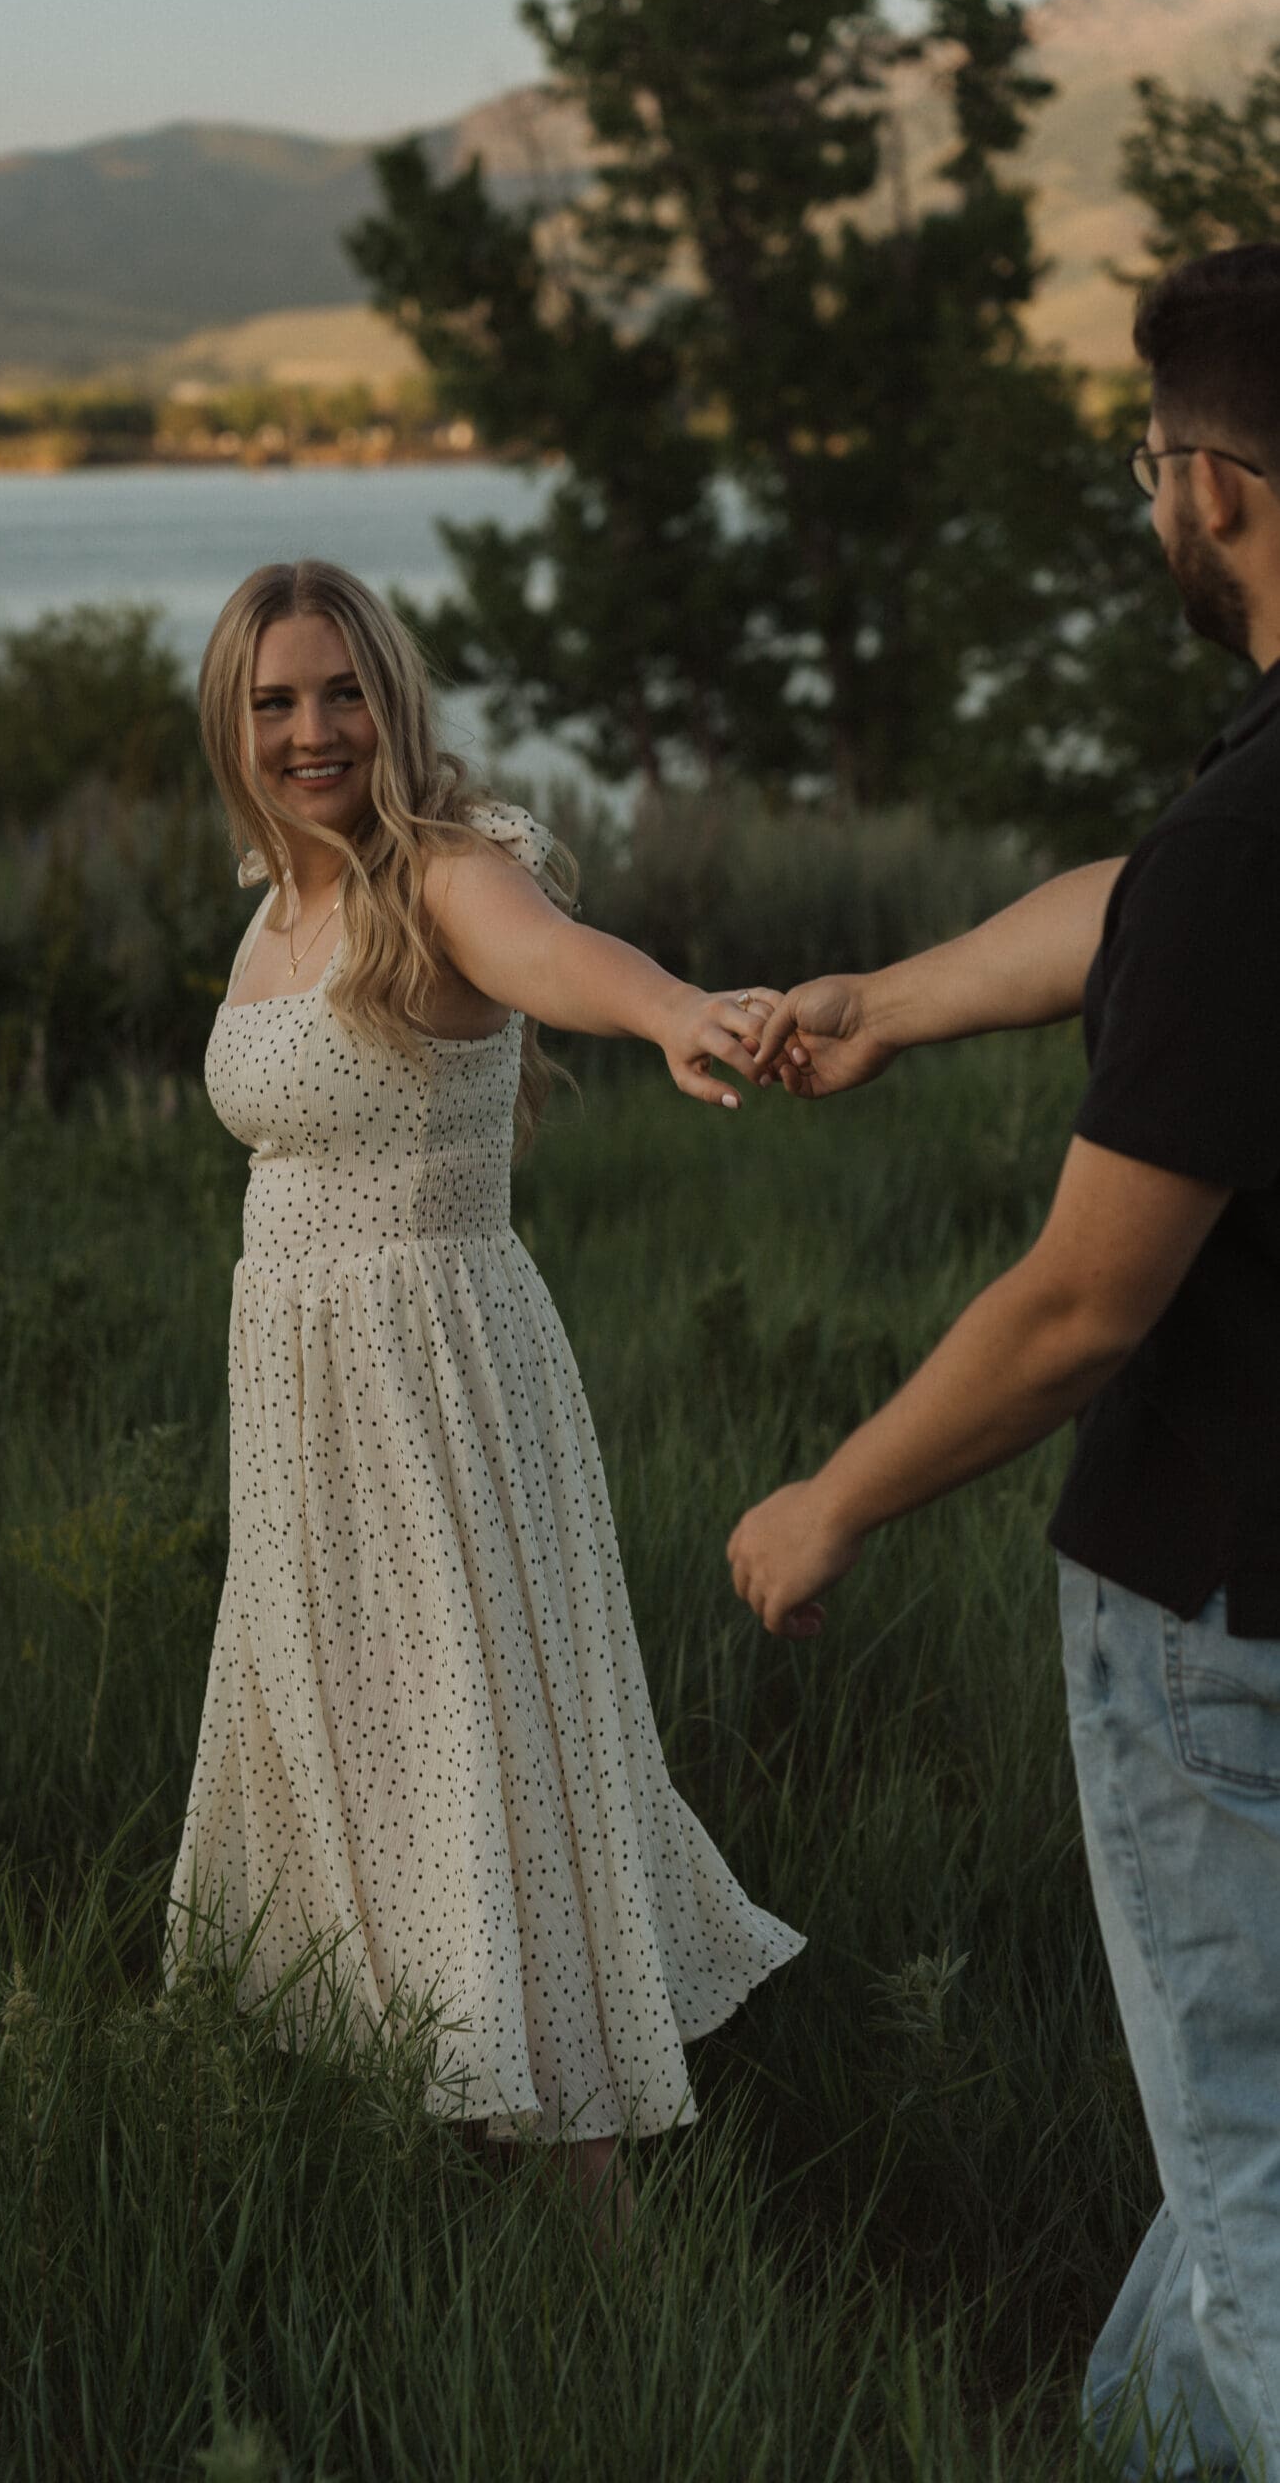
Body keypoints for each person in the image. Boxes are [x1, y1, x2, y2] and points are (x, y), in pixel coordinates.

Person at [728, 243, 1280, 2473]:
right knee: (1231, 2189)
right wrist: (882, 997)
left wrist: (826, 1495)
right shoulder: (1238, 827)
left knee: (1250, 2174)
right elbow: (1147, 903)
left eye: (1153, 466)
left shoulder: (1254, 839)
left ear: (1216, 488)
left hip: (1216, 1613)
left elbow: (1077, 1304)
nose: (1150, 504)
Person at [168, 557, 802, 2235]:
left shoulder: (445, 872)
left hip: (436, 1389)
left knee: (483, 1756)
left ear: (393, 694)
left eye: (343, 691)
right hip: (307, 1413)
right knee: (351, 1756)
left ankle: (591, 2227)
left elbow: (566, 958)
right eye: (277, 702)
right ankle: (403, 2126)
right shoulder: (278, 893)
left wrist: (675, 1010)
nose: (316, 732)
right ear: (235, 726)